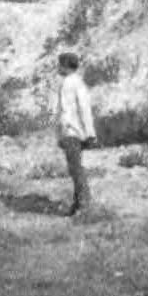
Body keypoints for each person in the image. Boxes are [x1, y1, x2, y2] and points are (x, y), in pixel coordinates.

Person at [54, 51, 97, 216]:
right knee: (74, 168)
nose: (58, 67)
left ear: (65, 66)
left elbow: (84, 109)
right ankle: (78, 204)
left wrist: (90, 133)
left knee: (76, 168)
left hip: (73, 131)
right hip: (69, 132)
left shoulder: (76, 83)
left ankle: (84, 204)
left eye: (60, 64)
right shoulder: (69, 82)